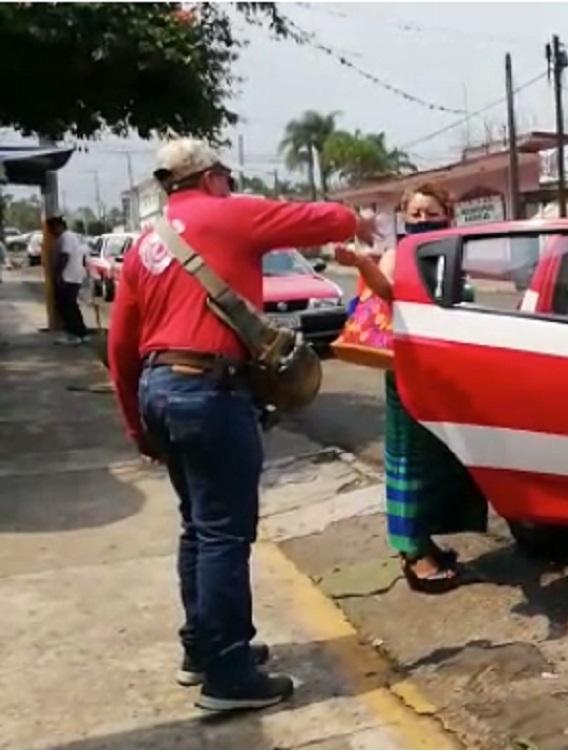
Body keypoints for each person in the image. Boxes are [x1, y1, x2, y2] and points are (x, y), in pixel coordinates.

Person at [107, 138, 376, 712]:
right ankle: (228, 673)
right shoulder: (229, 212)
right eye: (226, 175)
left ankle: (202, 650)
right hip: (209, 390)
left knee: (197, 526)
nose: (230, 182)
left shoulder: (145, 243)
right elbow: (316, 218)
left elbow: (120, 345)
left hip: (159, 388)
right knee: (225, 533)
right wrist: (358, 217)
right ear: (208, 178)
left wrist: (136, 424)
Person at [334, 182, 487, 593]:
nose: (422, 220)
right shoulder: (398, 253)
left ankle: (425, 541)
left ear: (447, 215)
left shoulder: (456, 252)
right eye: (415, 214)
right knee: (410, 461)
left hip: (446, 372)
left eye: (430, 212)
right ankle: (413, 554)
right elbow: (387, 291)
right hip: (409, 370)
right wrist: (361, 264)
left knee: (443, 459)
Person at [47, 216, 89, 344]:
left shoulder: (66, 237)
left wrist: (58, 274)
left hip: (68, 277)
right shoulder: (70, 237)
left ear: (59, 226)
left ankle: (74, 334)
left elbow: (65, 255)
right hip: (73, 276)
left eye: (52, 228)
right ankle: (81, 333)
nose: (51, 232)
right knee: (70, 305)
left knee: (65, 306)